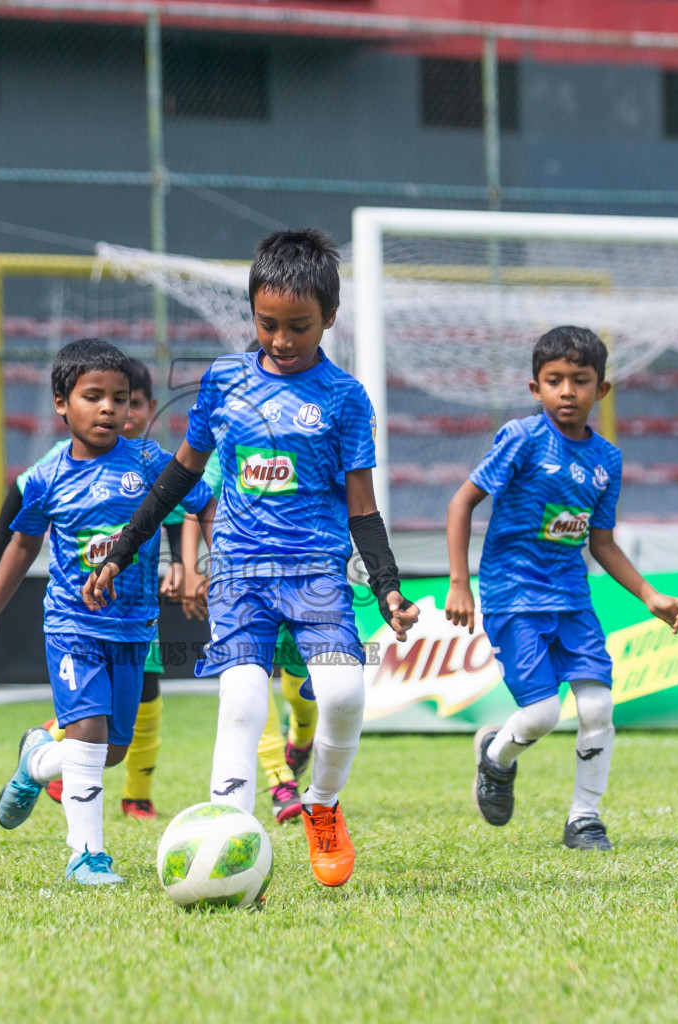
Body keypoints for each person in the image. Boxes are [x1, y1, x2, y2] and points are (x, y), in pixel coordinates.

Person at [83, 228, 419, 888]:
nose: (283, 340)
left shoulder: (346, 398)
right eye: (268, 324)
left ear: (329, 317)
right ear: (252, 314)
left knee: (345, 695)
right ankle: (229, 845)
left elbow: (362, 505)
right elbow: (179, 476)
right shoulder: (224, 382)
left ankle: (322, 803)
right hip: (238, 570)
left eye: (299, 326)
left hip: (317, 573)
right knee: (240, 701)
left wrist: (387, 588)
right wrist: (124, 550)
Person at [445, 326, 678, 851]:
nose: (566, 391)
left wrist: (650, 596)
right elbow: (461, 502)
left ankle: (585, 819)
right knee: (542, 715)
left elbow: (601, 543)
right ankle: (495, 757)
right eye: (554, 381)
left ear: (600, 391)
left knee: (598, 707)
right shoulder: (520, 438)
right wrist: (460, 583)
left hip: (573, 600)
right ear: (536, 389)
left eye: (580, 381)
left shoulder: (608, 460)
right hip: (514, 598)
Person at [0, 339, 212, 885]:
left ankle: (37, 759)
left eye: (121, 398)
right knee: (86, 732)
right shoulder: (45, 477)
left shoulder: (153, 463)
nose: (110, 408)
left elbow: (201, 504)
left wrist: (194, 563)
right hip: (72, 625)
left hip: (134, 630)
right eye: (94, 396)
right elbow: (21, 545)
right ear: (62, 402)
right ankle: (86, 855)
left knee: (110, 751)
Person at [178, 453, 319, 823]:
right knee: (249, 679)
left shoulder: (310, 426)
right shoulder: (236, 431)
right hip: (242, 581)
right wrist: (193, 568)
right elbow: (198, 501)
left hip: (304, 578)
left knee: (301, 692)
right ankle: (279, 780)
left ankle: (301, 742)